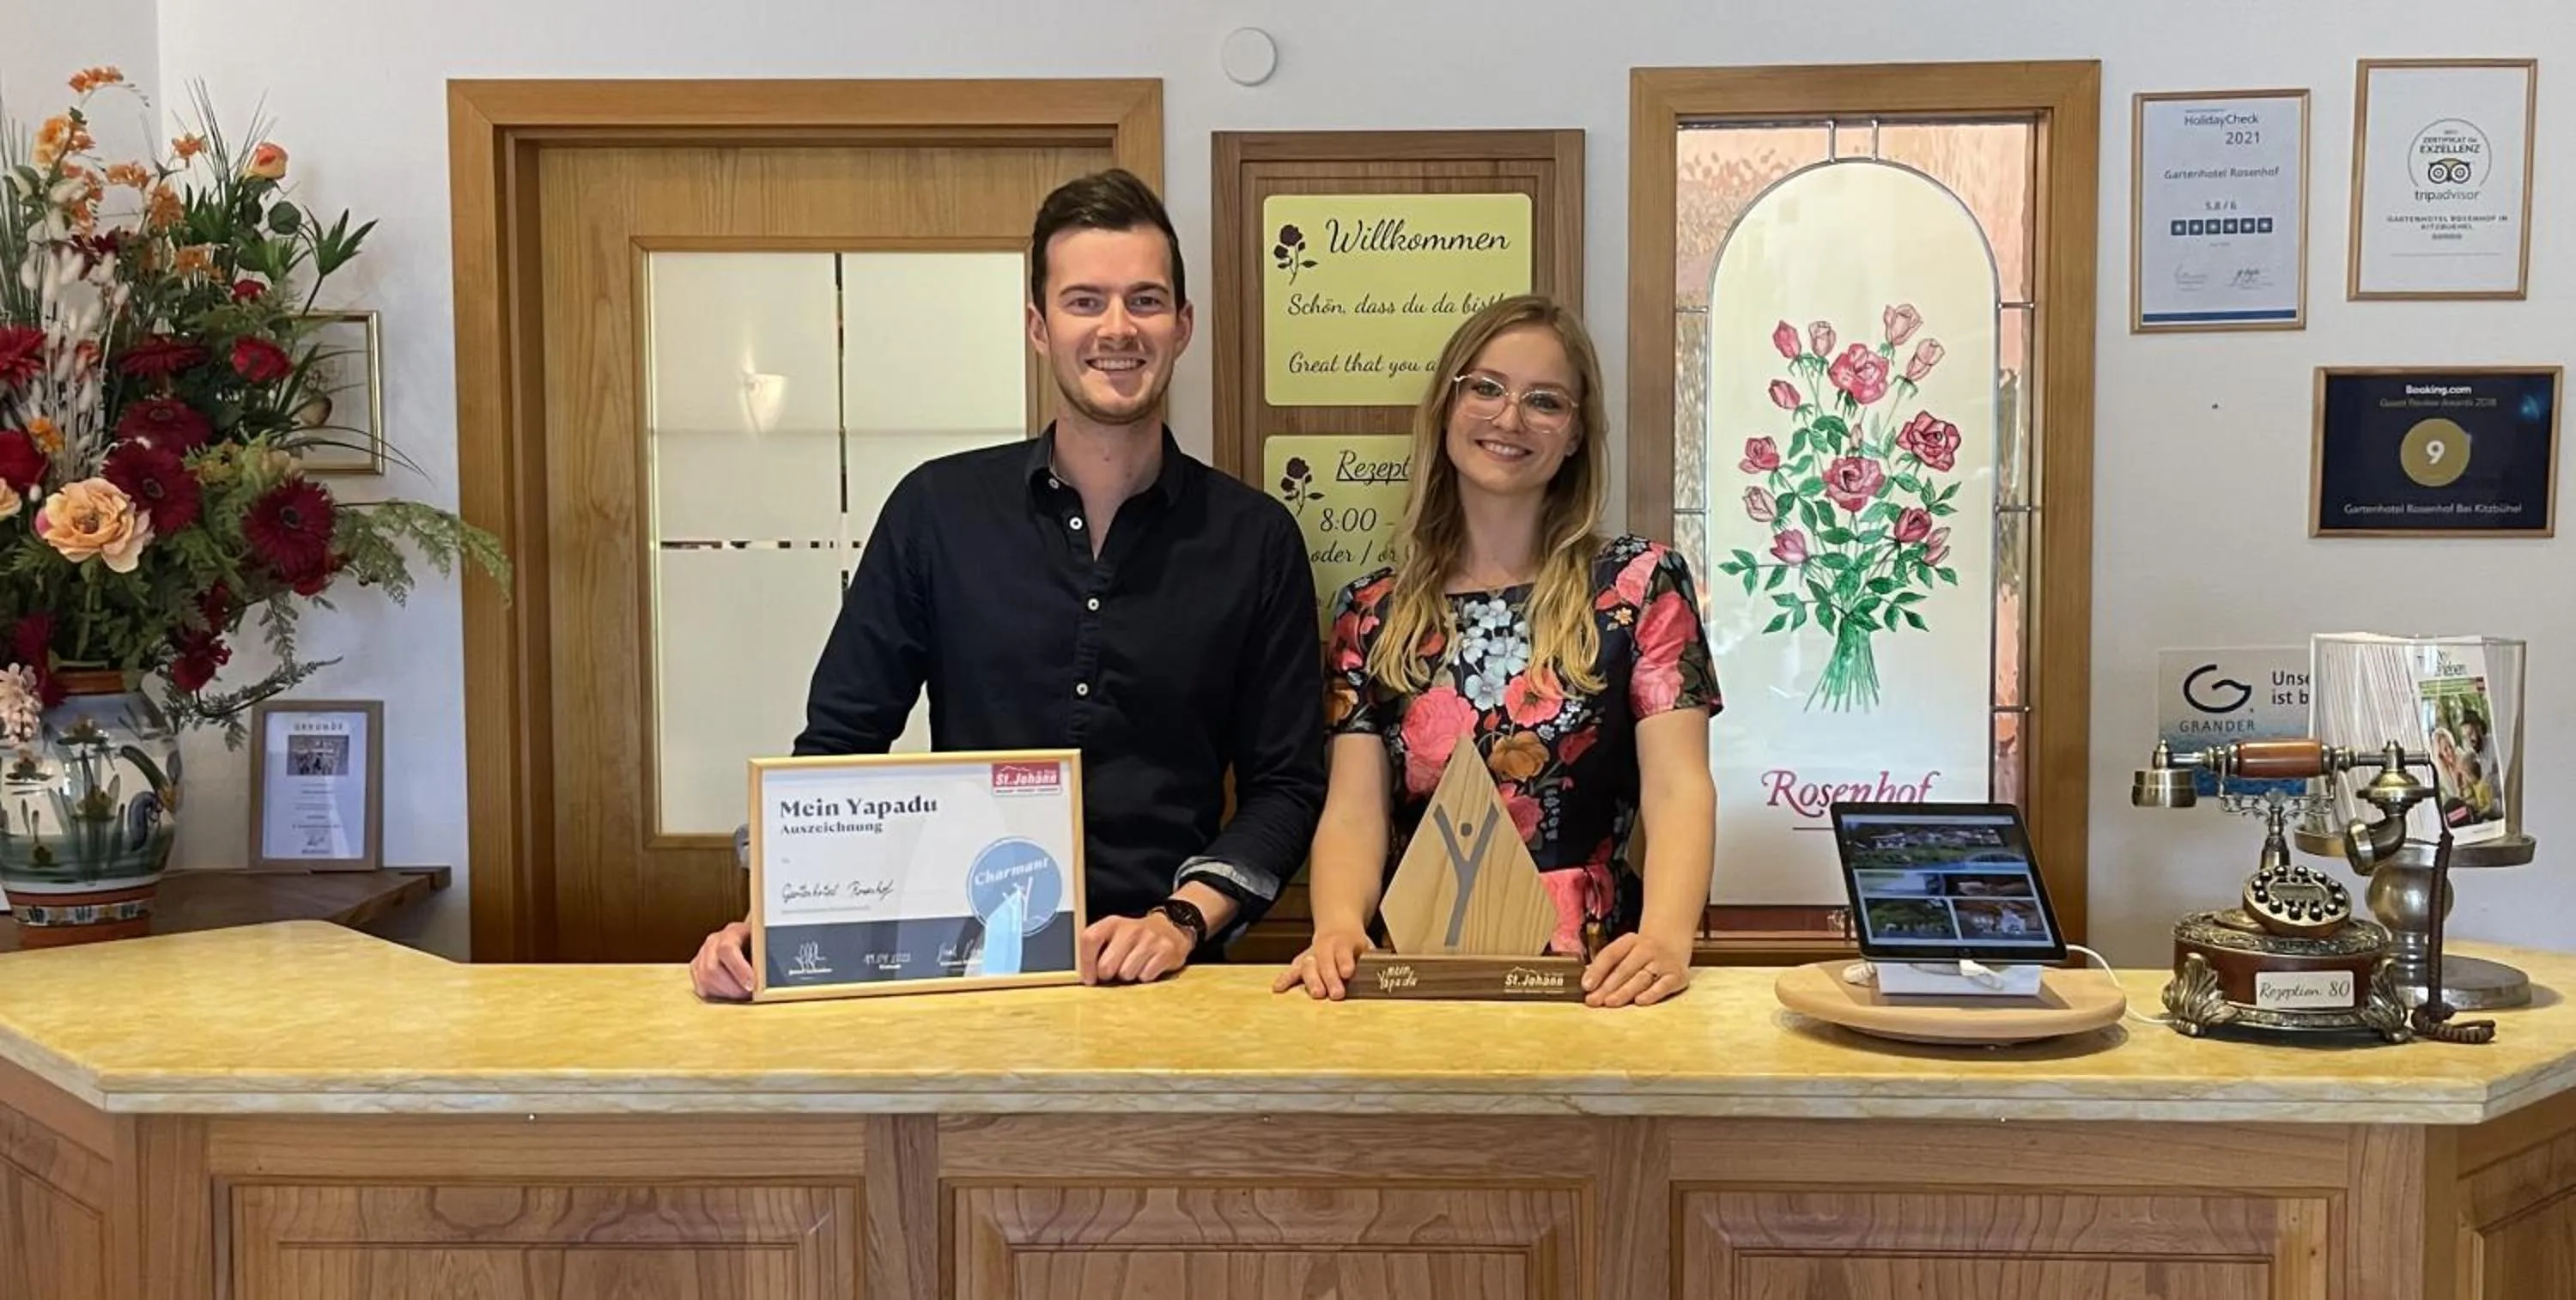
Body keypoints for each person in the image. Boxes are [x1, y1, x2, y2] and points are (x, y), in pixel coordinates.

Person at [689, 168, 1327, 1000]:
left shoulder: (1255, 539)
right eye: (1084, 301)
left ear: (1182, 325)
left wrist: (1178, 919)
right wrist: (775, 918)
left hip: (1166, 981)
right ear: (1038, 325)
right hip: (955, 975)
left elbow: (1286, 787)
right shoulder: (936, 510)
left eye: (1144, 300)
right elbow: (842, 743)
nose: (1117, 328)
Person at [1272, 295, 1721, 1009]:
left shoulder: (1641, 585)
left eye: (1545, 401)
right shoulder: (1371, 611)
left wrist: (1667, 937)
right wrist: (1337, 927)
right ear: (1446, 407)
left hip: (1599, 978)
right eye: (1485, 388)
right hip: (1419, 974)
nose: (1509, 419)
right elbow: (1354, 812)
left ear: (1575, 434)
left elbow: (1678, 788)